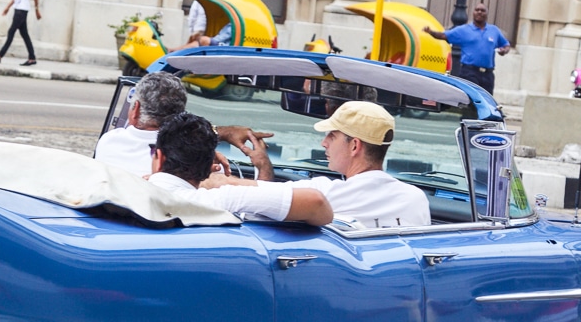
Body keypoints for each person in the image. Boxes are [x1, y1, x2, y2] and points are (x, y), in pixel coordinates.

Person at [216, 100, 430, 230]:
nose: (323, 142)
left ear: (354, 146)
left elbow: (251, 199)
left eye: (331, 136)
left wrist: (208, 177)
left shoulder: (323, 193)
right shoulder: (416, 199)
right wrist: (264, 168)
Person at [151, 112, 332, 226]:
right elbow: (316, 202)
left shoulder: (128, 187)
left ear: (159, 158)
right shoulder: (218, 199)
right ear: (209, 169)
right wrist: (225, 183)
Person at [95, 72, 271, 176]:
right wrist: (264, 166)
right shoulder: (196, 163)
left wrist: (221, 132)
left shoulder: (109, 142)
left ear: (135, 110)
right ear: (181, 114)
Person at [424, 3, 511, 95]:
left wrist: (504, 51)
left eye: (483, 10)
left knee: (487, 100)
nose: (479, 12)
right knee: (471, 99)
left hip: (487, 75)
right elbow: (443, 35)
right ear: (473, 13)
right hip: (469, 72)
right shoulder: (464, 30)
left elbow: (506, 45)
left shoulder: (494, 30)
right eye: (477, 10)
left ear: (487, 14)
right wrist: (430, 32)